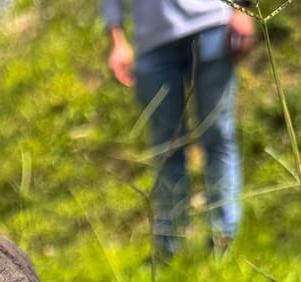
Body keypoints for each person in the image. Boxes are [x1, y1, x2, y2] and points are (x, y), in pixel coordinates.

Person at [102, 0, 257, 259]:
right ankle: (168, 246)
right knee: (166, 147)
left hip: (212, 27)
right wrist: (117, 39)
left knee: (217, 134)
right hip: (152, 43)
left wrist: (241, 8)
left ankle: (223, 239)